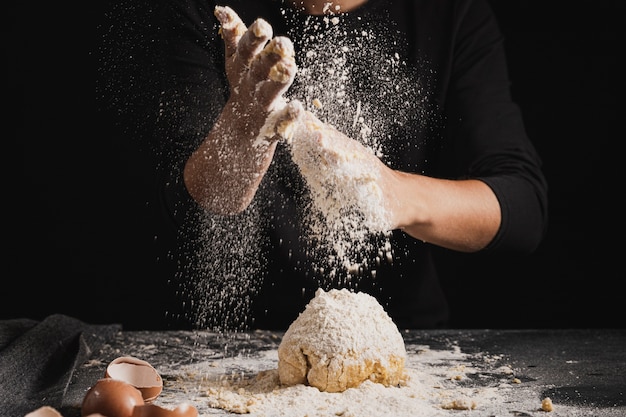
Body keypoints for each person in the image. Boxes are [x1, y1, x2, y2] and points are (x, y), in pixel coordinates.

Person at [154, 0, 548, 331]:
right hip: (239, 350)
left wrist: (391, 192)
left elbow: (522, 208)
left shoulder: (449, 10)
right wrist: (244, 127)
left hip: (410, 348)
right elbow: (190, 208)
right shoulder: (213, 14)